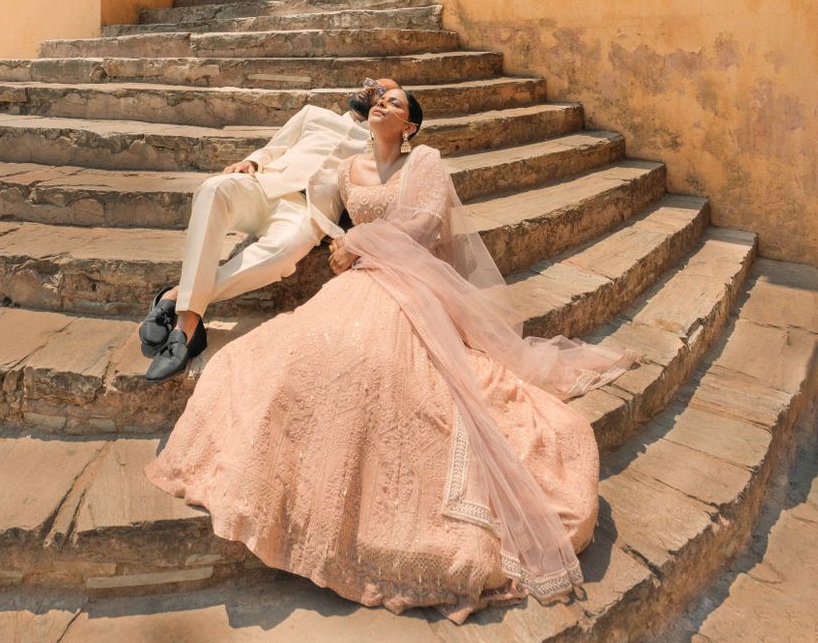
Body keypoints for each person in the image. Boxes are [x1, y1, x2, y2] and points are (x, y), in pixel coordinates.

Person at [145, 86, 634, 621]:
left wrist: (358, 243)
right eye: (379, 97)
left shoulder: (424, 160)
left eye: (396, 103)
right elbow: (320, 206)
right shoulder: (347, 166)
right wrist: (277, 182)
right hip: (357, 272)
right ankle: (183, 307)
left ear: (411, 127)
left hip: (408, 278)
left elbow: (424, 225)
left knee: (382, 366)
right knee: (288, 353)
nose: (382, 102)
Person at [138, 77, 399, 382]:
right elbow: (275, 147)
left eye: (381, 93)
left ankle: (179, 306)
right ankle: (187, 323)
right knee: (212, 189)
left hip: (308, 212)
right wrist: (251, 161)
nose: (370, 91)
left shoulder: (381, 147)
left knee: (282, 254)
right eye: (368, 84)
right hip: (263, 187)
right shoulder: (314, 114)